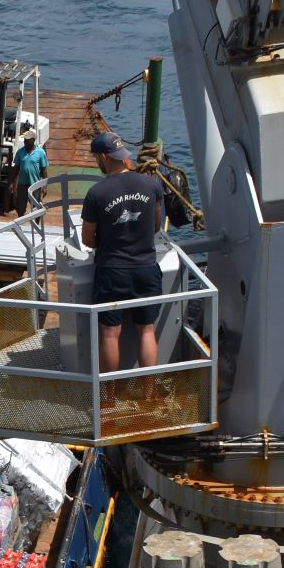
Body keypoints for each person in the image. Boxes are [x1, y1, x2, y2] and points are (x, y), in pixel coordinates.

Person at [80, 131, 166, 381]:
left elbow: (87, 239)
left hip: (112, 271)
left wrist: (108, 241)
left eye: (96, 157)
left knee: (110, 335)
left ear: (104, 157)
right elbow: (156, 225)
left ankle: (108, 397)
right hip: (146, 268)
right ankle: (149, 394)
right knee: (146, 331)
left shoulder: (96, 193)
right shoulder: (151, 185)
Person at [11, 126, 48, 212]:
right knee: (20, 208)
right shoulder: (20, 152)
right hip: (22, 185)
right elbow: (16, 169)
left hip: (35, 185)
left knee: (36, 209)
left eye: (27, 140)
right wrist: (12, 183)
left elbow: (44, 170)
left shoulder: (41, 152)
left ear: (33, 140)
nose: (25, 142)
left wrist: (45, 186)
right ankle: (21, 220)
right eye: (25, 140)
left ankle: (36, 221)